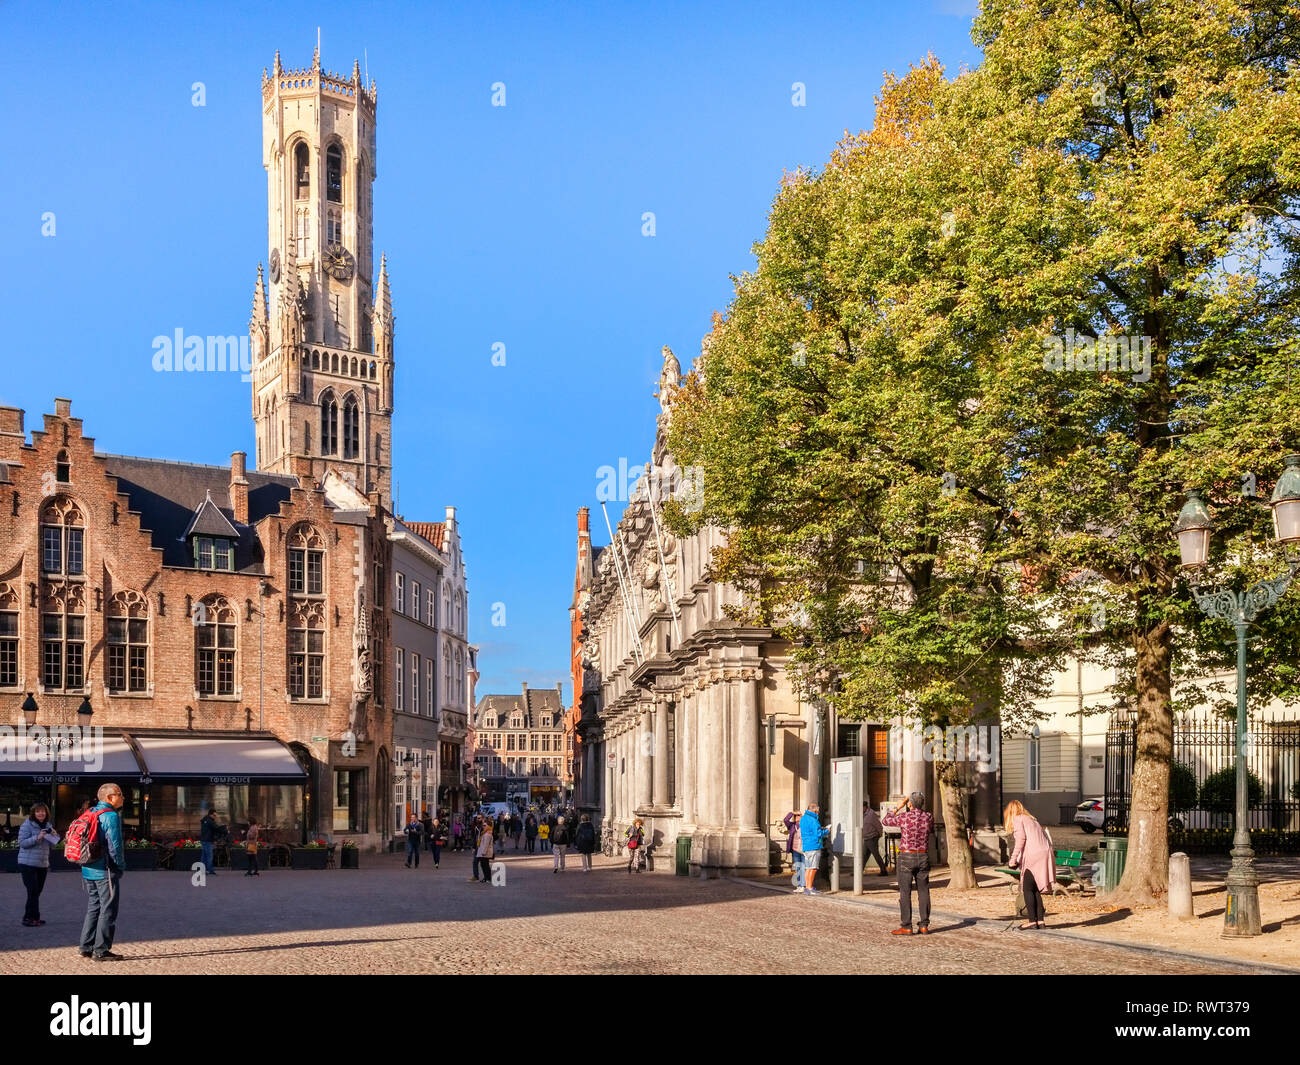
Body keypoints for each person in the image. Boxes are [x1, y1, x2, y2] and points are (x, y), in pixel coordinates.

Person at [79, 782, 127, 961]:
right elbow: (115, 846)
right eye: (120, 794)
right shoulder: (110, 816)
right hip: (104, 870)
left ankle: (86, 946)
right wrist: (120, 867)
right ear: (110, 798)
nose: (123, 797)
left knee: (93, 907)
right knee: (108, 910)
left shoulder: (90, 812)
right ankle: (101, 950)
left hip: (88, 868)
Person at [882, 792, 935, 934]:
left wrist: (898, 807)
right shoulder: (928, 816)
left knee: (905, 892)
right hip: (923, 855)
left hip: (906, 856)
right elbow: (931, 829)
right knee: (923, 891)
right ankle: (924, 925)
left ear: (910, 804)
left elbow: (886, 820)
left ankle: (906, 925)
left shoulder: (904, 817)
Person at [1005, 799, 1055, 930]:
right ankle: (1040, 922)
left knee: (1027, 889)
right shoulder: (1032, 820)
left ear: (1010, 812)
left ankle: (1032, 921)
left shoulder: (1018, 819)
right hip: (1044, 854)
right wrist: (1019, 860)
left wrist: (1013, 859)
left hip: (1033, 856)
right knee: (1035, 889)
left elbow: (1021, 840)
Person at [17, 802, 58, 926]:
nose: (41, 813)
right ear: (33, 813)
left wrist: (54, 836)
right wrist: (37, 837)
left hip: (42, 864)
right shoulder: (27, 825)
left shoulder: (48, 825)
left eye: (43, 811)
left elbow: (52, 844)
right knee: (33, 891)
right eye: (38, 811)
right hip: (27, 864)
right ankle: (29, 918)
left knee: (37, 891)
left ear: (46, 813)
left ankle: (34, 917)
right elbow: (22, 843)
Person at [799, 804, 829, 895]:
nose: (818, 813)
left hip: (806, 846)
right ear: (815, 811)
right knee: (813, 868)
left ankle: (807, 887)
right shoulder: (813, 820)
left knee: (808, 868)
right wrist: (827, 830)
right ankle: (810, 888)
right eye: (818, 811)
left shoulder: (803, 818)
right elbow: (818, 834)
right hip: (813, 845)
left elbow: (810, 831)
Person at [862, 801, 887, 875]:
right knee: (864, 856)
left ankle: (883, 871)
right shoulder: (863, 814)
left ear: (865, 807)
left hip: (872, 837)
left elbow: (879, 826)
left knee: (876, 855)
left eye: (862, 807)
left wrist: (879, 835)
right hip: (867, 837)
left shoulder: (871, 814)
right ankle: (859, 871)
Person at [782, 809, 804, 893]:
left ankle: (803, 885)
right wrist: (792, 813)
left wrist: (801, 815)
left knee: (803, 867)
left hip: (803, 849)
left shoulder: (804, 825)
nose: (796, 817)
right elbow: (785, 820)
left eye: (798, 815)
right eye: (795, 816)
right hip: (795, 850)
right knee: (798, 867)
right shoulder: (792, 825)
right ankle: (799, 885)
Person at [473, 817, 494, 884]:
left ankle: (488, 878)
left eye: (485, 825)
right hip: (483, 852)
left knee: (485, 865)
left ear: (488, 826)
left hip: (485, 853)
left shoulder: (487, 834)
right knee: (484, 865)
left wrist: (483, 853)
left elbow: (486, 844)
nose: (483, 827)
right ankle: (486, 878)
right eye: (483, 825)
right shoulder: (485, 833)